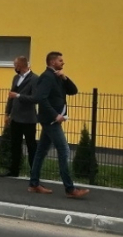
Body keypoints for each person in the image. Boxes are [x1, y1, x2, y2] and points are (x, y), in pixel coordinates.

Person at [27, 51, 89, 198]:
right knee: (64, 150)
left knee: (41, 151)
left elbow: (73, 91)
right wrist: (55, 115)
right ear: (52, 62)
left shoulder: (57, 76)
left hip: (52, 120)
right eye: (60, 61)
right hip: (51, 120)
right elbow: (41, 98)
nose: (63, 63)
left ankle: (34, 184)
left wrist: (64, 78)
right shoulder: (47, 77)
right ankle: (70, 189)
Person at [0, 56, 38, 178]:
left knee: (31, 146)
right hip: (15, 117)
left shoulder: (34, 79)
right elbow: (10, 96)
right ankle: (14, 170)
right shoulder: (16, 78)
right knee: (15, 145)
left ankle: (34, 172)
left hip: (28, 119)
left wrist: (18, 96)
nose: (14, 67)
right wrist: (7, 113)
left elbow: (35, 98)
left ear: (20, 65)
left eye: (15, 65)